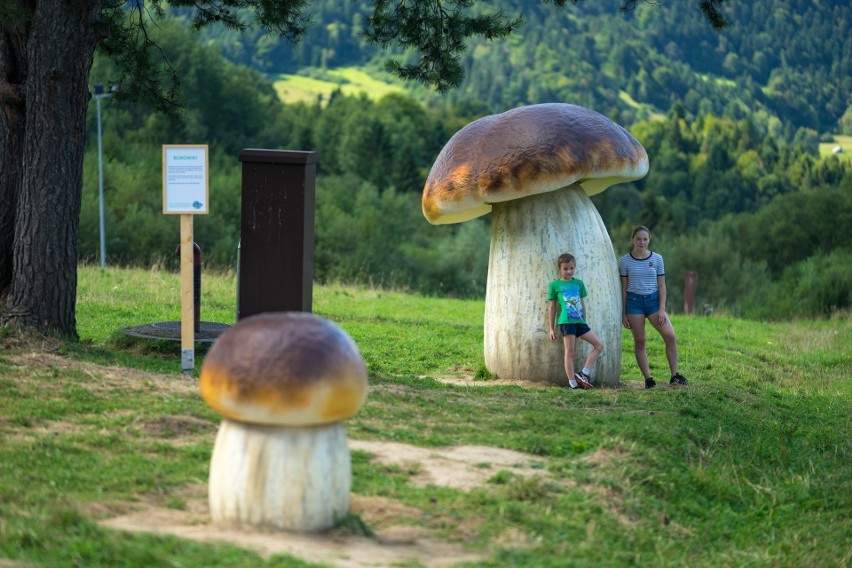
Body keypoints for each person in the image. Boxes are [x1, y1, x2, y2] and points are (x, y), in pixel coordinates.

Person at [619, 225, 688, 389]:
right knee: (640, 341)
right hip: (634, 303)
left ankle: (675, 375)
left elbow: (662, 285)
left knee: (670, 336)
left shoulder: (657, 259)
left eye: (645, 239)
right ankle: (648, 379)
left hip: (654, 303)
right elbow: (623, 288)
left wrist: (662, 309)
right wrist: (623, 314)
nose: (641, 242)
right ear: (633, 240)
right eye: (638, 239)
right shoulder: (624, 261)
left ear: (649, 240)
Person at [547, 253, 605, 389]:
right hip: (566, 323)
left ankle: (584, 373)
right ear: (559, 269)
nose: (569, 271)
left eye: (572, 268)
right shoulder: (555, 285)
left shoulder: (579, 284)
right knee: (570, 352)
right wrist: (551, 328)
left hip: (580, 323)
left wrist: (584, 320)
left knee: (599, 345)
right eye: (565, 268)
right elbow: (552, 307)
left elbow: (583, 304)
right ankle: (573, 383)